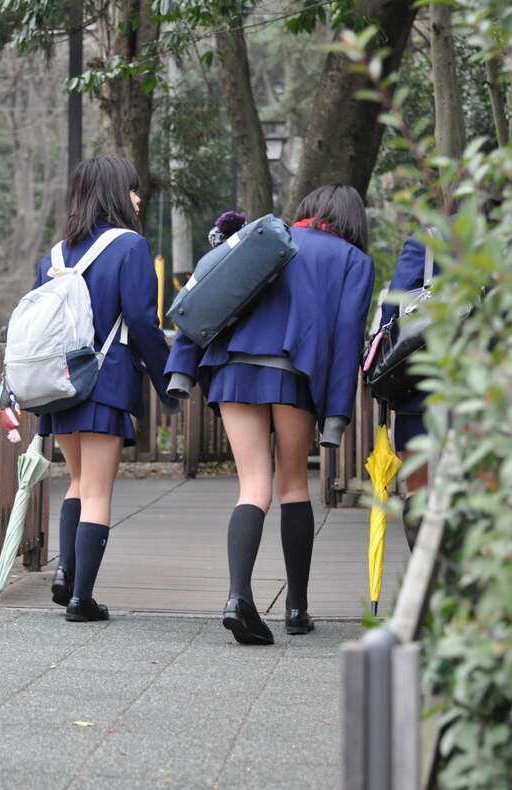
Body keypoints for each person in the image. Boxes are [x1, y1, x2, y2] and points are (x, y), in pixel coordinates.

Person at [165, 185, 375, 645]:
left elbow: (212, 289)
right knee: (292, 485)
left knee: (252, 486)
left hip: (233, 368)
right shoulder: (353, 261)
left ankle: (237, 598)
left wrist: (182, 367)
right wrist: (336, 416)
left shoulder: (268, 234)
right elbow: (346, 340)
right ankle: (296, 609)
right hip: (293, 372)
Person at [35, 155, 178, 622]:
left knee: (78, 482)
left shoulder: (54, 256)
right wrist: (168, 380)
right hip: (105, 379)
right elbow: (142, 321)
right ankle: (81, 599)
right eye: (132, 189)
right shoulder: (130, 247)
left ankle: (66, 574)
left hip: (59, 384)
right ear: (114, 193)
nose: (138, 198)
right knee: (97, 490)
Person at [378, 233, 437, 549]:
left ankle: (425, 569)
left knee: (418, 488)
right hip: (486, 390)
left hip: (420, 387)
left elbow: (393, 311)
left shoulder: (426, 240)